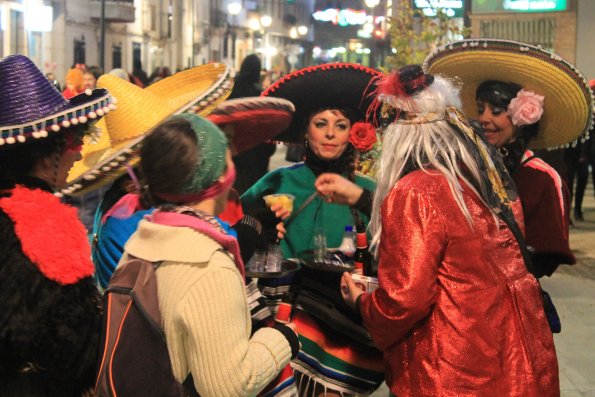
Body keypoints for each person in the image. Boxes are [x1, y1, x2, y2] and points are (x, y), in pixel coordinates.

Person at [341, 64, 560, 396]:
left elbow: (405, 300)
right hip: (518, 355)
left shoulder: (416, 191)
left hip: (455, 367)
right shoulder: (489, 178)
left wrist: (363, 303)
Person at [114, 113, 299, 395]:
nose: (234, 153)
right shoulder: (208, 265)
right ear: (223, 175)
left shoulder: (142, 238)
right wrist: (282, 339)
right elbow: (229, 386)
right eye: (226, 147)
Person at [241, 63, 384, 396]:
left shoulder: (366, 190)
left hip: (344, 326)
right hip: (283, 320)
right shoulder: (279, 180)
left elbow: (401, 234)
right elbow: (234, 224)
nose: (331, 134)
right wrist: (260, 222)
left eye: (340, 125)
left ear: (354, 132)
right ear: (306, 132)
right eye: (321, 124)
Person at [424, 38, 594, 278]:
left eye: (496, 111)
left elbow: (546, 257)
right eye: (481, 109)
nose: (484, 119)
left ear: (521, 117)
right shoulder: (465, 167)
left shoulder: (542, 178)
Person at [0, 54, 114, 396]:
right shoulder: (43, 221)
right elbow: (75, 344)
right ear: (47, 152)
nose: (78, 154)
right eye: (72, 141)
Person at [228, 54, 278, 194]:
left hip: (232, 156)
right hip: (256, 160)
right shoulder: (262, 97)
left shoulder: (229, 93)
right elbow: (269, 134)